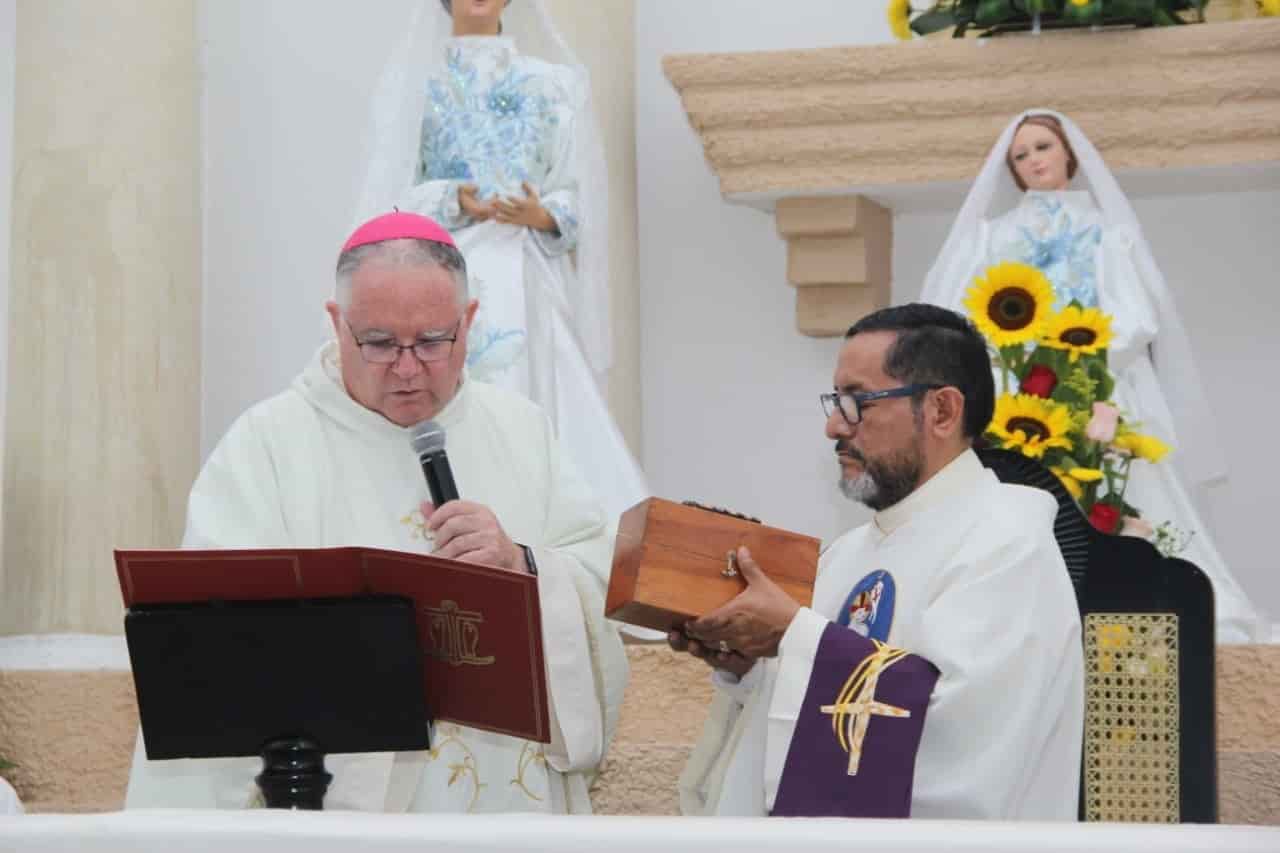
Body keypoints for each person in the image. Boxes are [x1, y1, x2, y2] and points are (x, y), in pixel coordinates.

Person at [124, 212, 628, 814]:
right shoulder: (269, 445)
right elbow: (208, 645)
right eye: (381, 343)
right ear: (338, 326)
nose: (409, 368)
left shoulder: (522, 432)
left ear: (469, 324)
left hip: (501, 806)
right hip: (333, 802)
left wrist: (522, 563)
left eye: (434, 341)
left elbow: (598, 576)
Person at [675, 304, 1083, 820]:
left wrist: (794, 637)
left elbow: (966, 745)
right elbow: (804, 716)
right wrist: (751, 666)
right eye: (835, 400)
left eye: (856, 401)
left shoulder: (1007, 545)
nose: (832, 427)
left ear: (941, 411)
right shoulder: (847, 554)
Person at [920, 108, 1261, 644]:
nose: (1034, 161)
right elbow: (960, 314)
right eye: (1021, 155)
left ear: (1068, 155)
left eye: (1043, 148)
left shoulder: (1106, 234)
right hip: (1021, 391)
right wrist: (1024, 359)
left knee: (1125, 489)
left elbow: (1137, 315)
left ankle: (1148, 601)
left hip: (1096, 384)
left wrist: (1078, 358)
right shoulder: (992, 237)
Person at [353, 0, 647, 521]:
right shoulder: (414, 84)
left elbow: (578, 194)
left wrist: (543, 212)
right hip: (440, 272)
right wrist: (451, 200)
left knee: (536, 393)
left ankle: (539, 520)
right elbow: (388, 193)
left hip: (525, 274)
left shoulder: (554, 83)